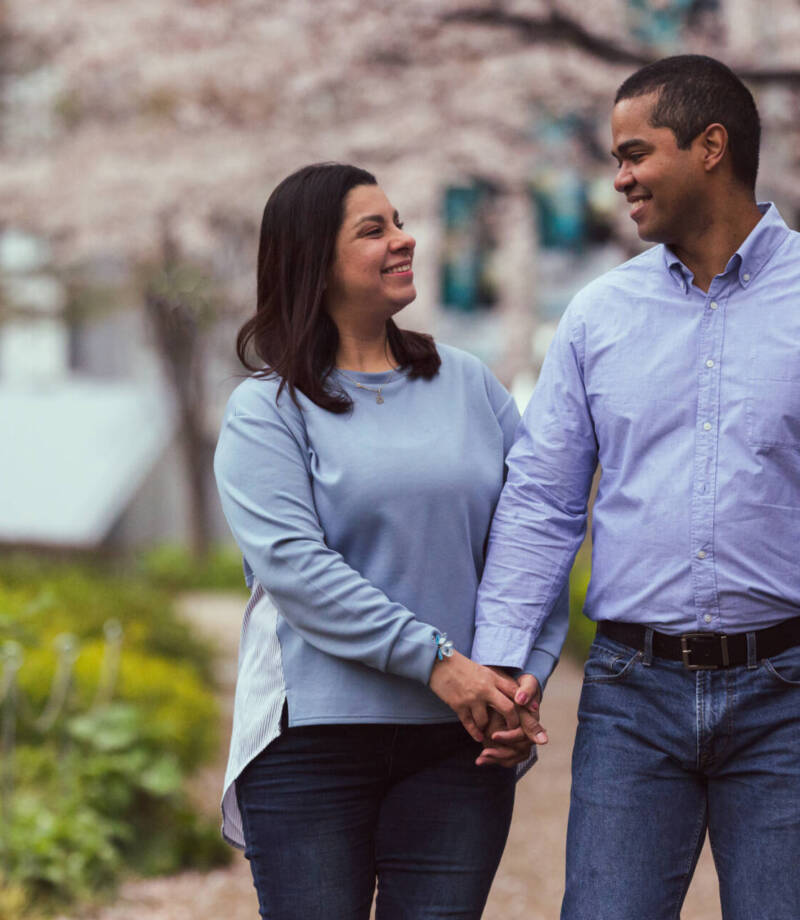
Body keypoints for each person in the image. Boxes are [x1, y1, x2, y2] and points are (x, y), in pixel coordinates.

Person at [471, 55, 800, 919]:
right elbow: (543, 500)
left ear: (711, 147)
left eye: (634, 154)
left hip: (788, 692)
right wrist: (504, 662)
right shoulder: (597, 315)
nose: (617, 181)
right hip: (631, 692)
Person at [213, 163, 568, 919]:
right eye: (374, 230)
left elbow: (534, 532)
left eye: (399, 221)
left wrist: (517, 673)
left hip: (460, 744)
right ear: (314, 259)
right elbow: (297, 572)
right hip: (310, 743)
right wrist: (440, 663)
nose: (405, 240)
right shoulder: (267, 410)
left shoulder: (470, 384)